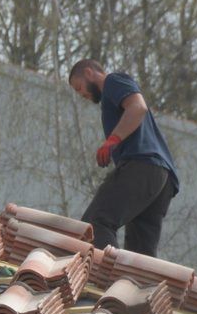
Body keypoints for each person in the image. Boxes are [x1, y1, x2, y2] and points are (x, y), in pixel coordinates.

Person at [67, 59, 180, 257]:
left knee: (95, 223)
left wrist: (112, 141)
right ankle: (138, 286)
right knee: (141, 253)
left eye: (79, 87)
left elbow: (138, 107)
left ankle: (105, 279)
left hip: (142, 166)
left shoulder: (113, 81)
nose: (82, 95)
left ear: (89, 73)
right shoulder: (112, 95)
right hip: (162, 179)